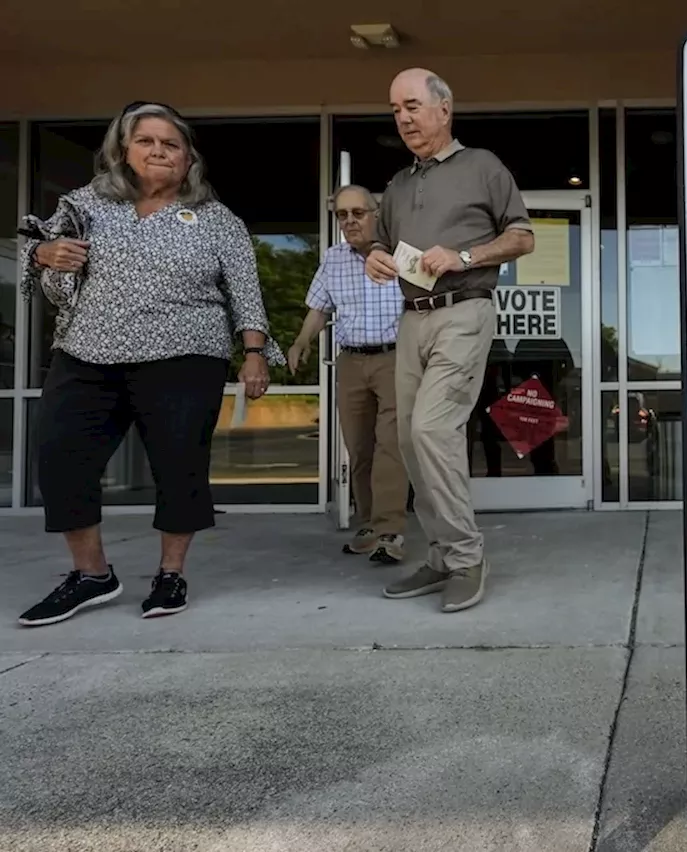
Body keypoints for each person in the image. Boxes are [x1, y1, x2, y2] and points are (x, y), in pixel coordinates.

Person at [15, 101, 284, 627]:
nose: (159, 151)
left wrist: (254, 354)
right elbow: (38, 247)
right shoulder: (87, 203)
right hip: (88, 352)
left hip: (185, 355)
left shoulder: (216, 219)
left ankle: (170, 574)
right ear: (123, 150)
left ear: (188, 159)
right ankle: (91, 574)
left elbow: (246, 294)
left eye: (171, 144)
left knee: (178, 467)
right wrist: (47, 255)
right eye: (147, 141)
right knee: (61, 458)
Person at [365, 67, 535, 612]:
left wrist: (464, 256)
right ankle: (441, 555)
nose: (404, 118)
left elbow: (522, 236)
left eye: (412, 105)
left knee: (433, 430)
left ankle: (465, 557)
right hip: (411, 316)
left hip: (464, 310)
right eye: (395, 110)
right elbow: (383, 245)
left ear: (444, 108)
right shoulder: (396, 184)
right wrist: (374, 257)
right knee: (412, 442)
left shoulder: (482, 166)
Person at [289, 184, 409, 563]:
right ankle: (371, 523)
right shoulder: (334, 258)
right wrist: (301, 341)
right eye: (343, 214)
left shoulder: (399, 254)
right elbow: (319, 307)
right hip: (352, 362)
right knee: (358, 448)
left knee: (391, 445)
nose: (350, 221)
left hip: (394, 358)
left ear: (375, 214)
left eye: (358, 212)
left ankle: (391, 531)